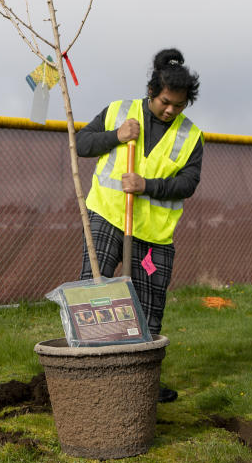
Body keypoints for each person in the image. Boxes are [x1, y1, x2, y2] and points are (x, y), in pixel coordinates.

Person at [77, 48, 203, 403]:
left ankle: (142, 384)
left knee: (149, 310)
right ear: (152, 91)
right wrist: (116, 136)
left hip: (154, 236)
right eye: (165, 102)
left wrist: (147, 186)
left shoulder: (191, 136)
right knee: (95, 291)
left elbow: (189, 183)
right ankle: (91, 376)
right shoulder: (120, 111)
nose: (170, 110)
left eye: (178, 105)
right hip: (107, 214)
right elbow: (82, 143)